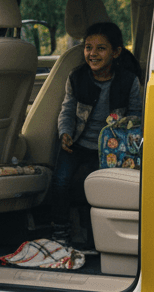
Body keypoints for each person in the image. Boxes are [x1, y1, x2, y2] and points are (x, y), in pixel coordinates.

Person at [50, 21, 144, 246]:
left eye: (101, 48)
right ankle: (60, 232)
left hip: (111, 149)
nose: (92, 53)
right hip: (79, 143)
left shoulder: (128, 82)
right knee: (60, 182)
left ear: (116, 52)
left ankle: (95, 235)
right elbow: (67, 109)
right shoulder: (76, 77)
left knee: (98, 189)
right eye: (88, 47)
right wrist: (65, 133)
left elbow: (136, 117)